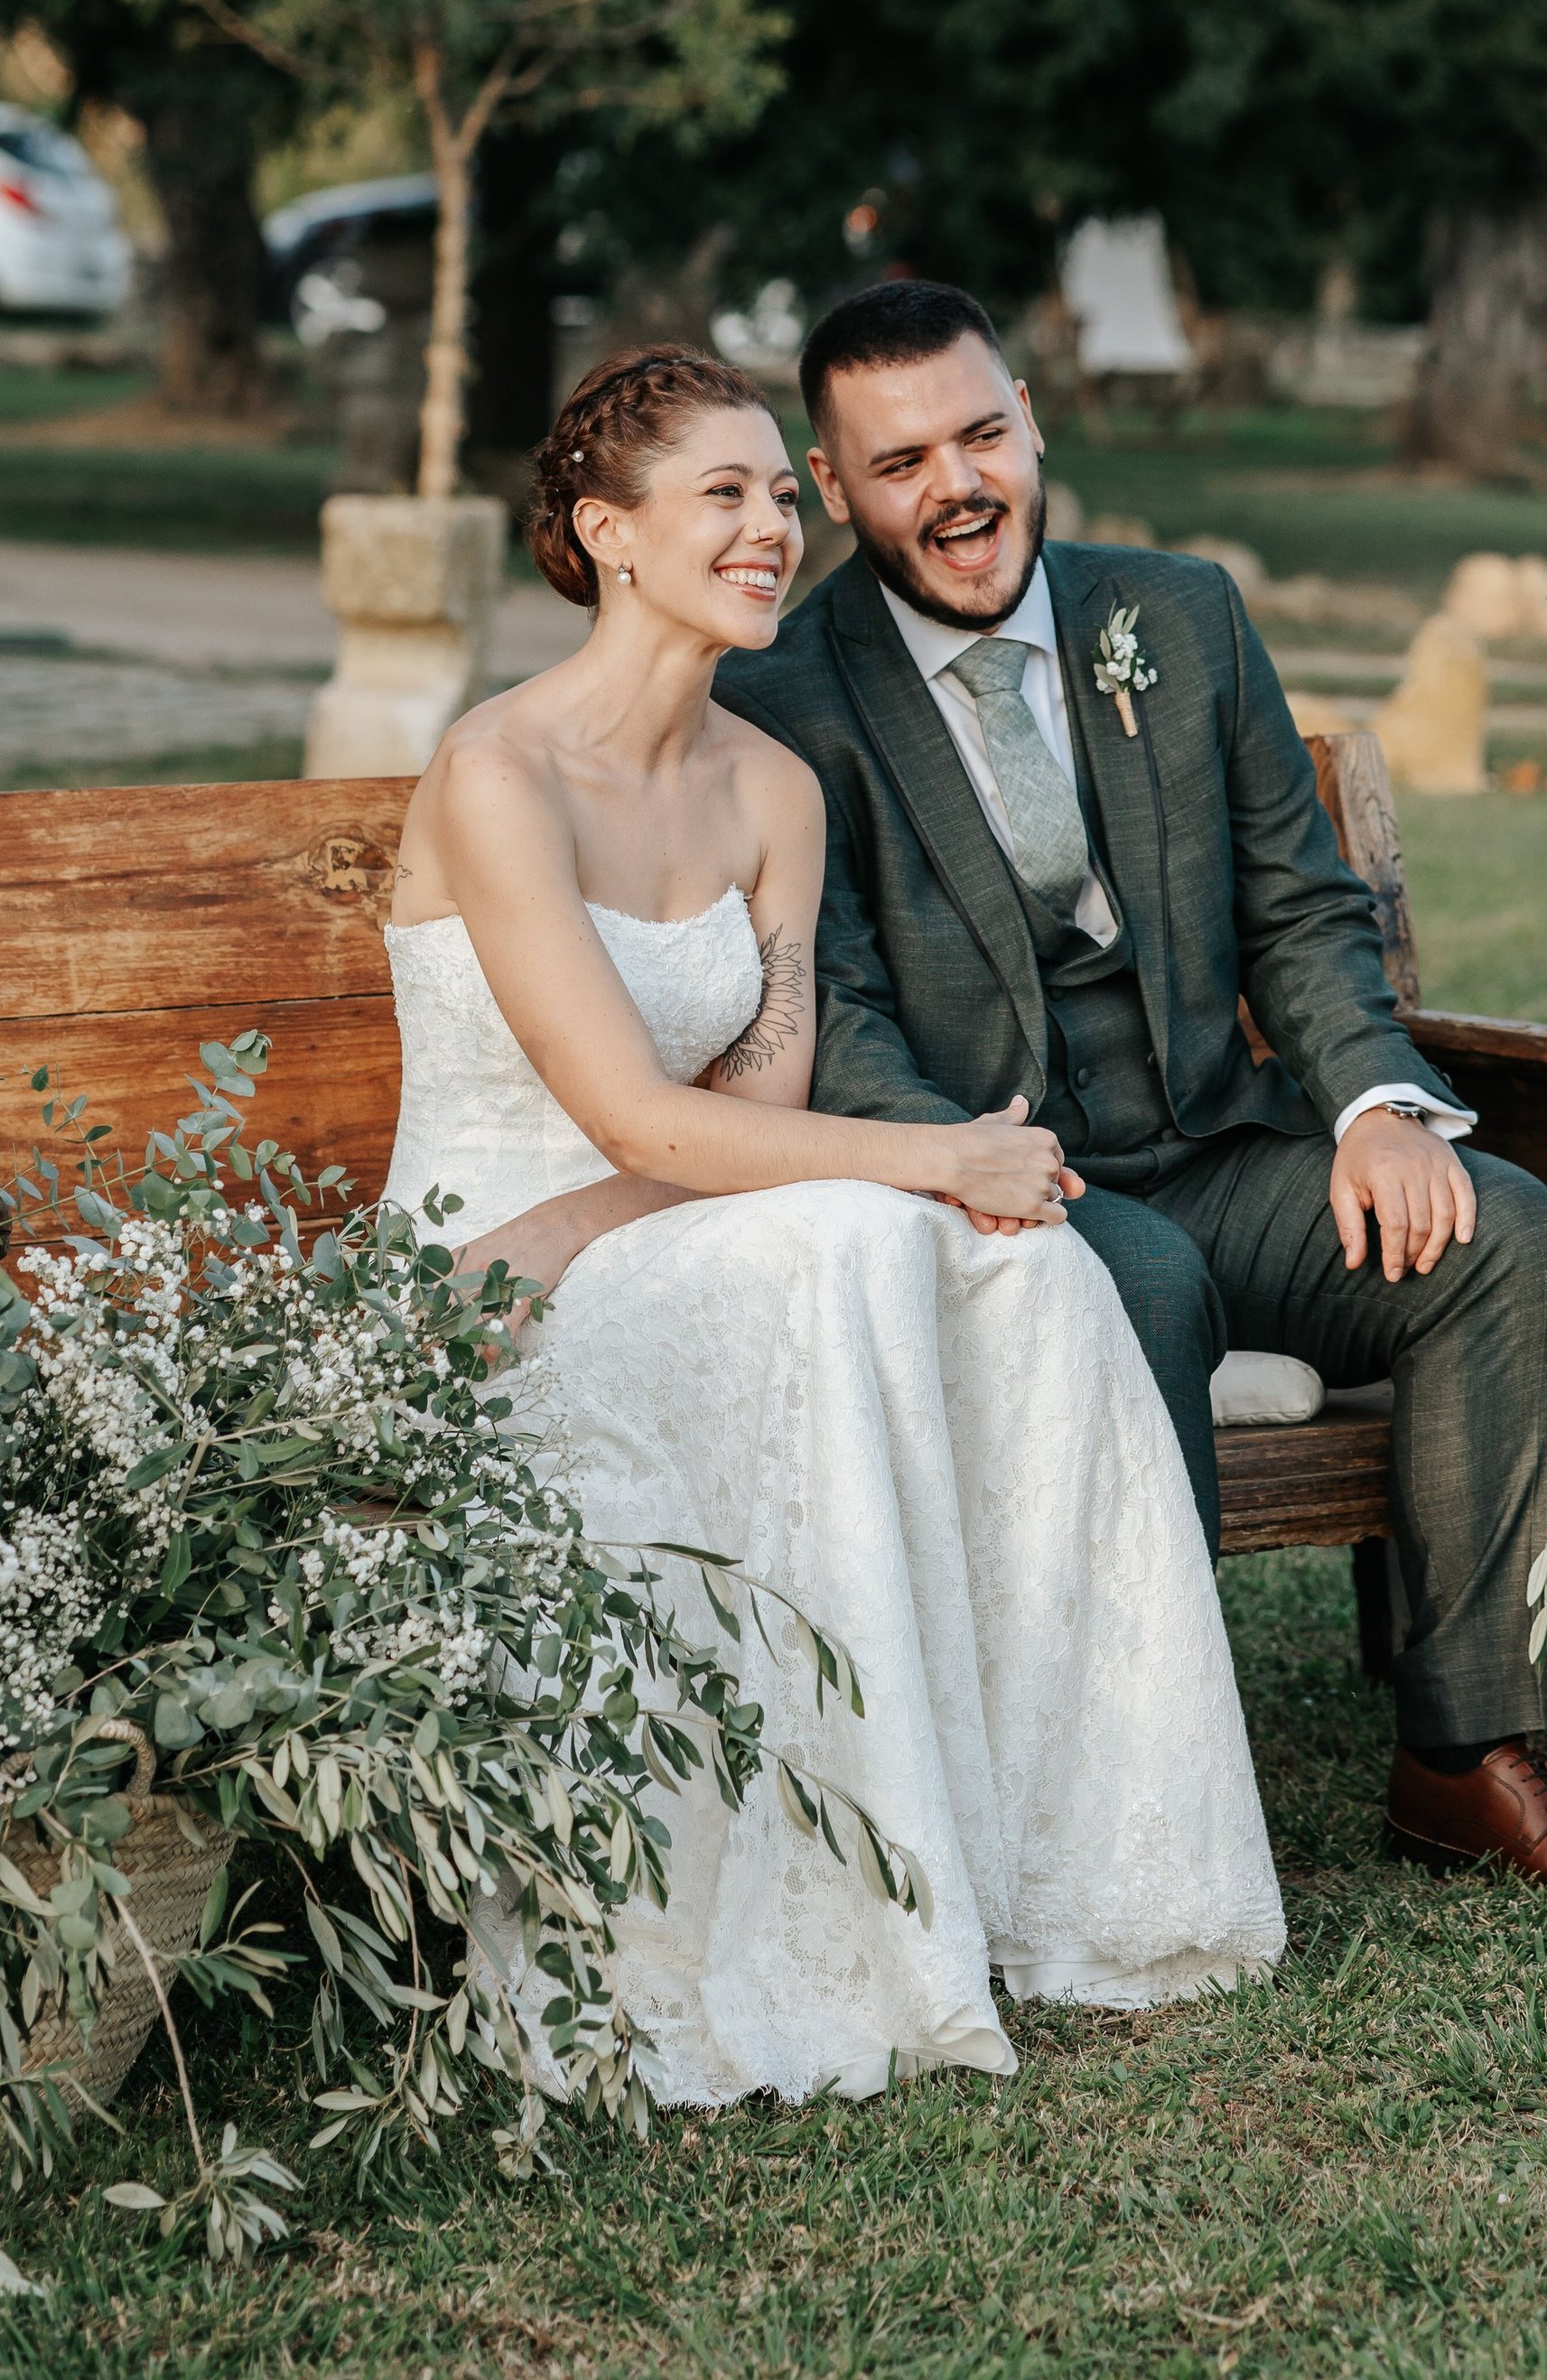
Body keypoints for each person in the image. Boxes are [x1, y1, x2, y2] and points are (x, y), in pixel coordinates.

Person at [377, 343, 1287, 2110]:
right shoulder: (499, 772)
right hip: (497, 1269)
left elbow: (763, 1105)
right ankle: (850, 1919)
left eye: (778, 495)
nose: (769, 529)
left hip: (675, 1223)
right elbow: (632, 1111)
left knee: (1027, 1271)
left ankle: (1081, 1876)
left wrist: (926, 1187)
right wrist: (936, 1155)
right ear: (605, 535)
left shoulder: (770, 790)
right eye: (719, 494)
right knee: (872, 1236)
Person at [716, 277, 1547, 1905]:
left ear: (1031, 419)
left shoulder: (1177, 614)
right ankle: (1136, 1790)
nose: (957, 487)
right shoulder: (785, 700)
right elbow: (840, 1010)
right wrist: (963, 1162)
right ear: (832, 485)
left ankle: (1464, 1756)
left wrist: (1377, 1105)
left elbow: (1301, 906)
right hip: (995, 1179)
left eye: (979, 435)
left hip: (1220, 1149)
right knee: (1142, 1287)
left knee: (1502, 1237)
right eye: (900, 463)